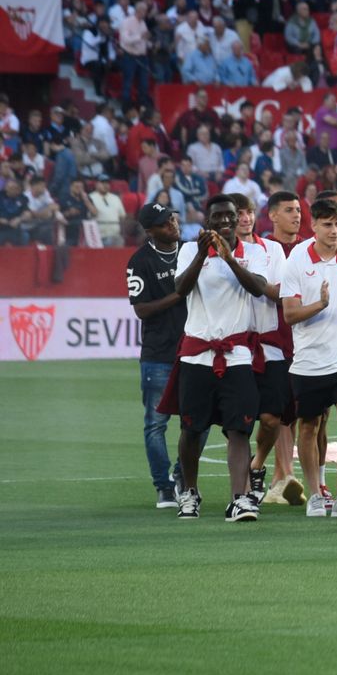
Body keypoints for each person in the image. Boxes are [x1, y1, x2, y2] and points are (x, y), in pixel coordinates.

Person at [161, 195, 273, 520]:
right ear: (207, 221)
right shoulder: (187, 250)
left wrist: (229, 258)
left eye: (230, 216)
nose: (224, 222)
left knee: (239, 429)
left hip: (236, 354)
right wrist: (202, 254)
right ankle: (190, 493)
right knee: (191, 429)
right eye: (217, 217)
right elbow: (180, 289)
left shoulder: (252, 253)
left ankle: (239, 498)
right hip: (197, 355)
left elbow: (257, 288)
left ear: (239, 218)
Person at [281, 197, 337, 517]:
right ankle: (315, 493)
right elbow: (288, 314)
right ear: (313, 225)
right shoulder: (298, 258)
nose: (334, 230)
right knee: (310, 426)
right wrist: (321, 304)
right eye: (327, 224)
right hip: (309, 359)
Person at [233, 193, 301, 508]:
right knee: (236, 419)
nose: (244, 218)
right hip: (231, 346)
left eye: (248, 212)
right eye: (238, 214)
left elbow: (281, 293)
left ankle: (258, 464)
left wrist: (250, 280)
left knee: (273, 417)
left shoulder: (271, 249)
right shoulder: (207, 252)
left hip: (269, 344)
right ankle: (243, 486)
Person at [126, 204, 193, 507]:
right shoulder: (140, 261)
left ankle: (182, 474)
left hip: (194, 348)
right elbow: (141, 309)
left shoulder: (191, 251)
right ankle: (162, 486)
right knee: (156, 424)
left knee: (197, 421)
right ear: (150, 230)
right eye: (164, 223)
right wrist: (177, 296)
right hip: (158, 353)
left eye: (173, 218)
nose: (173, 224)